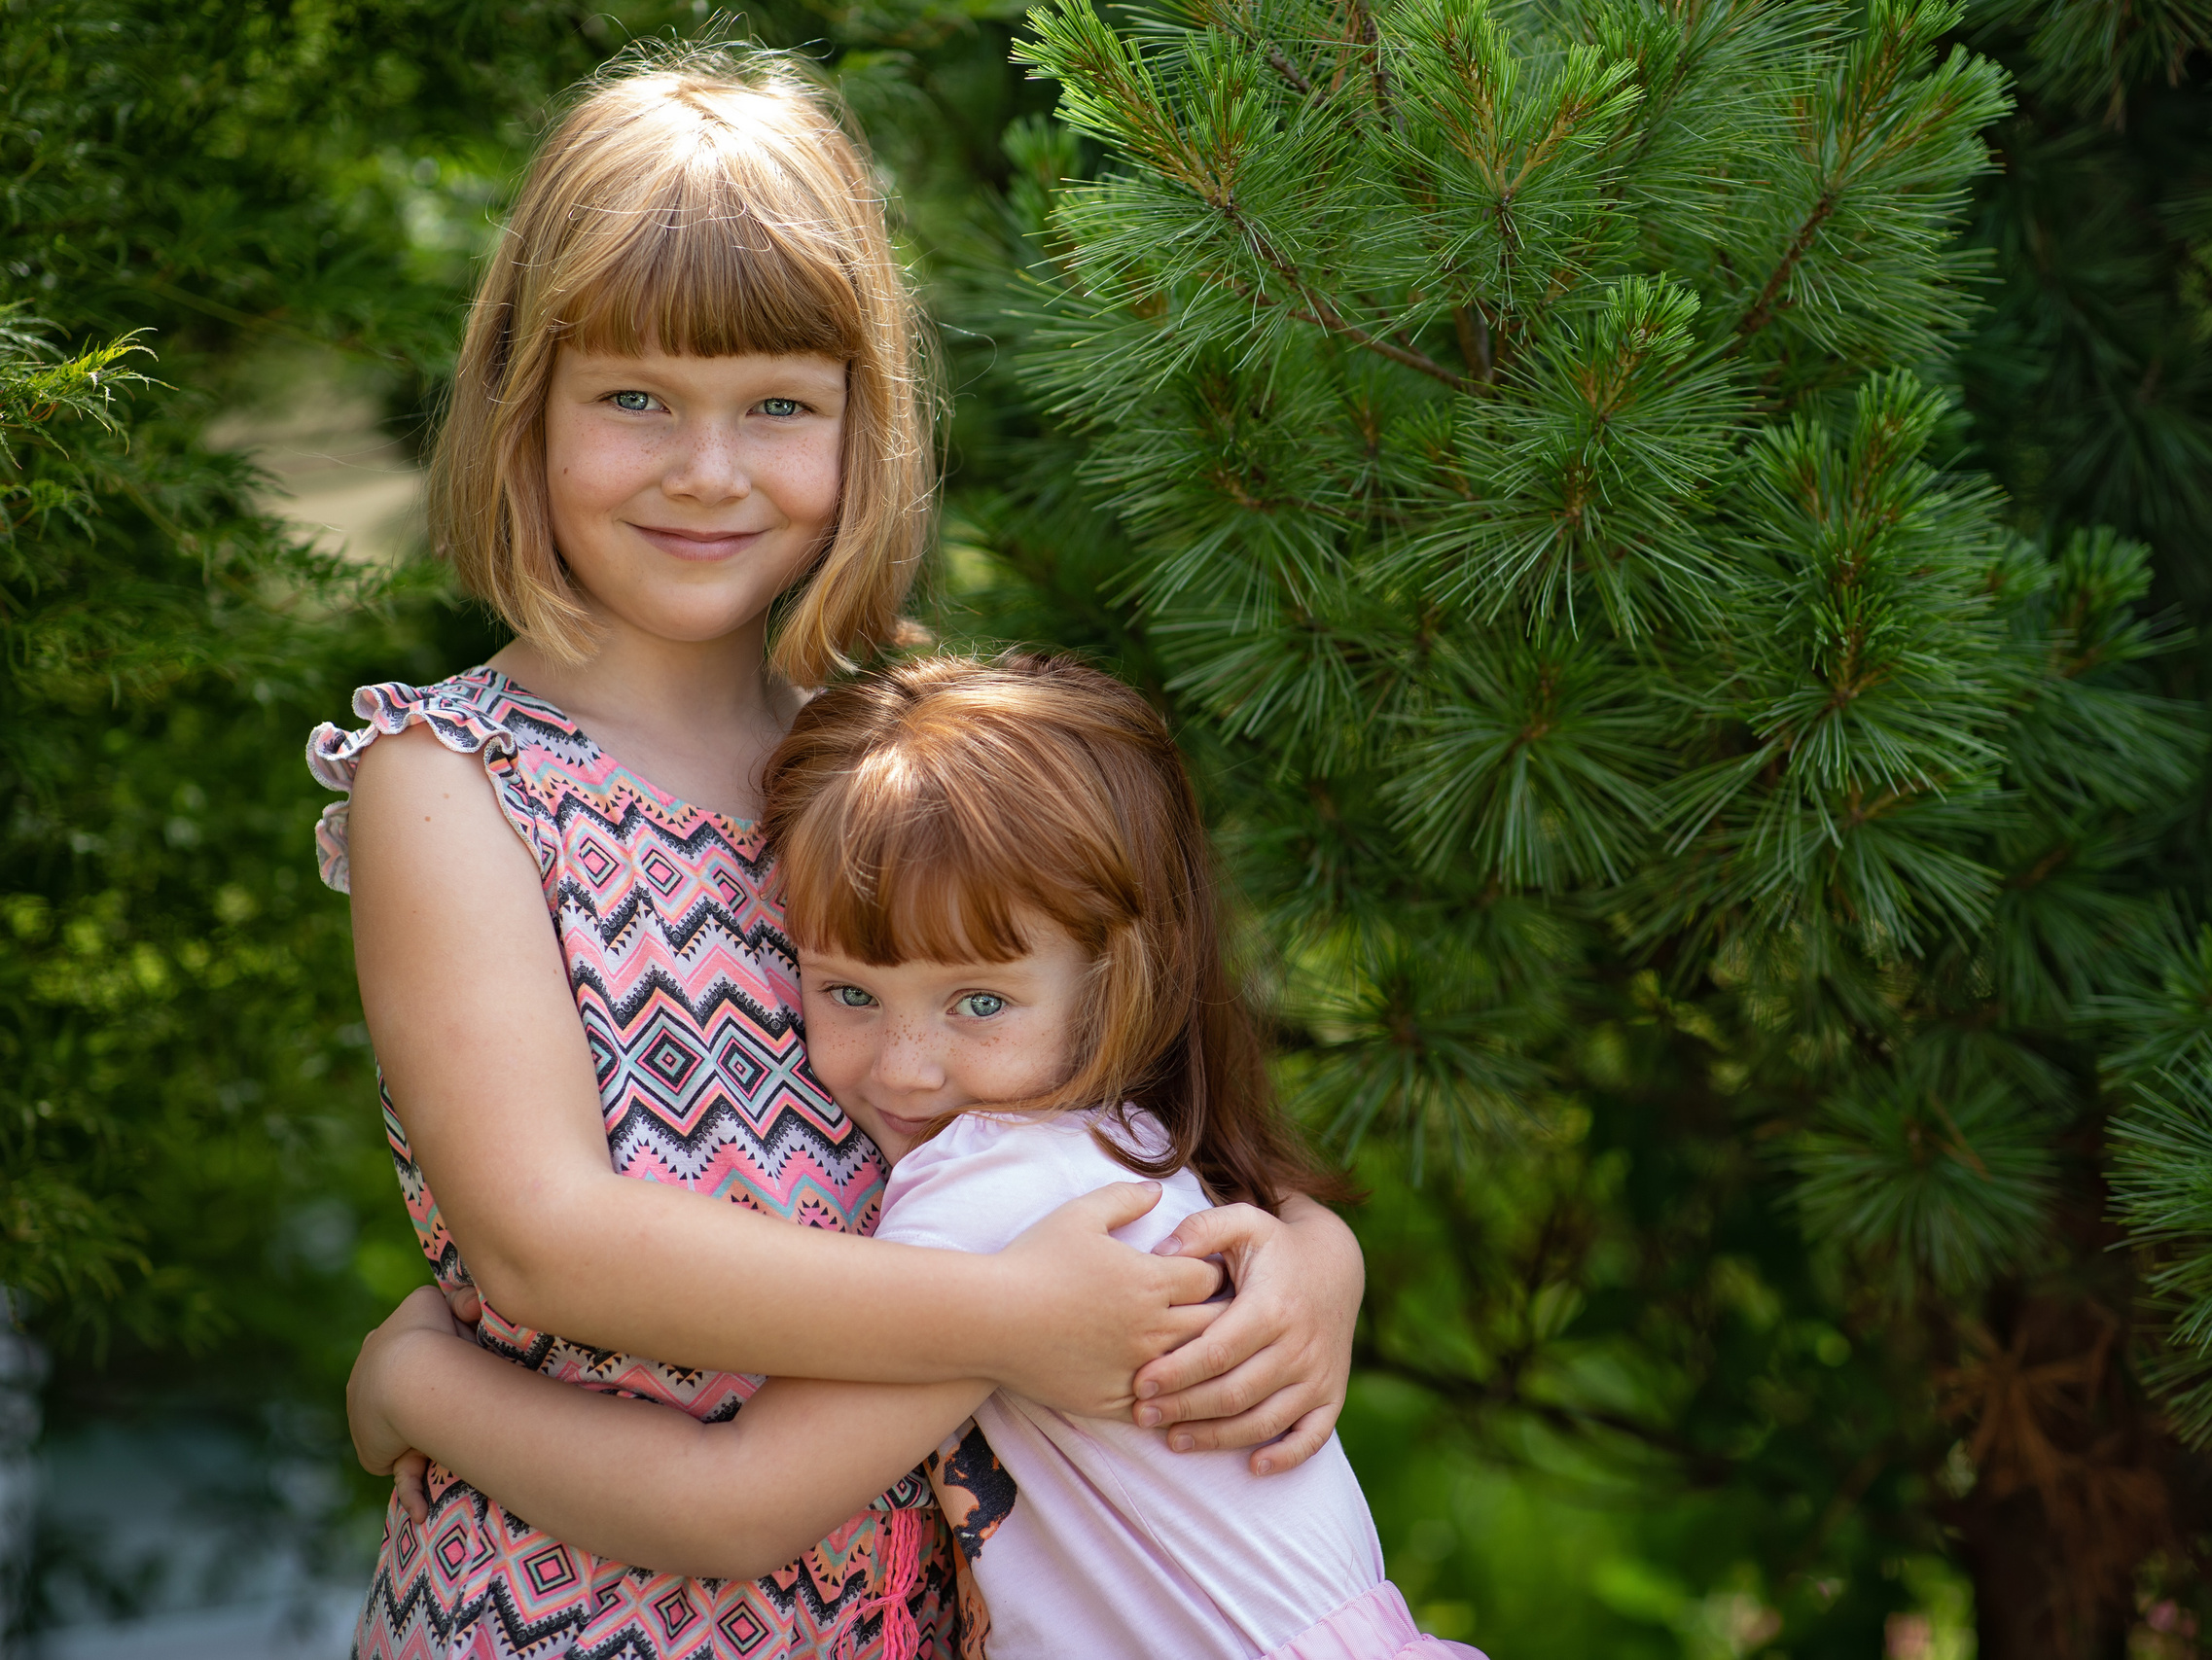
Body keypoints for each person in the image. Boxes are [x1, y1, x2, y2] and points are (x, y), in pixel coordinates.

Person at [308, 48, 1364, 1660]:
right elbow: (549, 1238)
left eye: (780, 406)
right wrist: (1016, 1316)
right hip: (567, 1610)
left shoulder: (892, 767)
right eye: (636, 399)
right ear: (526, 402)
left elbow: (1122, 1085)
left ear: (864, 420)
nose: (708, 471)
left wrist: (1303, 1262)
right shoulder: (453, 783)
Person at [348, 653, 1486, 1660]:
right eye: (846, 990)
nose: (902, 1069)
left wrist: (416, 1384)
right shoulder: (1118, 1144)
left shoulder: (997, 1193)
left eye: (977, 1002)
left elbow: (732, 1509)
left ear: (1120, 976)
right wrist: (1323, 1253)